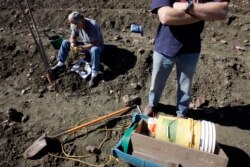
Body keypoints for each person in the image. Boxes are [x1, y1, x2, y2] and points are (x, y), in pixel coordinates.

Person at [143, 0, 229, 117]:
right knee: (157, 81)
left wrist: (187, 7)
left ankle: (181, 112)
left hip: (191, 47)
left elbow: (221, 11)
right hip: (165, 45)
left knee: (185, 86)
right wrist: (203, 13)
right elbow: (165, 16)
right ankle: (152, 104)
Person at [52, 11, 105, 88]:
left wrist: (81, 48)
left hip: (97, 46)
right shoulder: (76, 25)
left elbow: (96, 43)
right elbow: (72, 37)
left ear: (81, 21)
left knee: (94, 50)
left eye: (76, 25)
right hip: (86, 45)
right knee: (65, 42)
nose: (75, 27)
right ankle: (60, 63)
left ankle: (94, 75)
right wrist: (72, 44)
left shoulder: (93, 25)